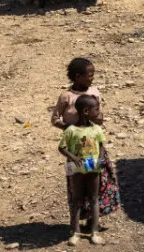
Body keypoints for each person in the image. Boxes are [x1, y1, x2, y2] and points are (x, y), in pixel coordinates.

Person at [59, 95, 107, 246]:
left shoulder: (97, 129)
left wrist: (101, 160)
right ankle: (76, 232)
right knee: (76, 199)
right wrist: (73, 157)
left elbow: (101, 147)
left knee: (94, 199)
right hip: (76, 170)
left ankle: (94, 231)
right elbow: (62, 148)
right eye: (96, 109)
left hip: (93, 169)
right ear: (86, 111)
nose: (99, 112)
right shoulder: (71, 130)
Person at [51, 58, 102, 130]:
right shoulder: (66, 96)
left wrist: (93, 117)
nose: (93, 78)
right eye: (90, 76)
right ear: (78, 76)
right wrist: (70, 129)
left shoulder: (94, 92)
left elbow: (100, 118)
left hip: (92, 135)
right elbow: (55, 119)